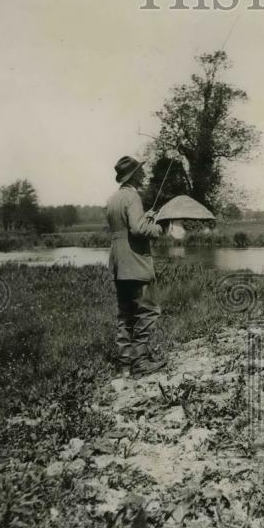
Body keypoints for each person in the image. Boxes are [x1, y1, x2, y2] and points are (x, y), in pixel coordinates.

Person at [106, 155, 167, 378]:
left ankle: (124, 364)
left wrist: (145, 218)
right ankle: (140, 361)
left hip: (118, 263)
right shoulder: (133, 196)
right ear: (134, 175)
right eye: (140, 171)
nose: (143, 174)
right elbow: (138, 230)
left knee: (125, 314)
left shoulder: (113, 198)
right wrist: (158, 228)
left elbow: (124, 226)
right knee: (148, 310)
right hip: (135, 261)